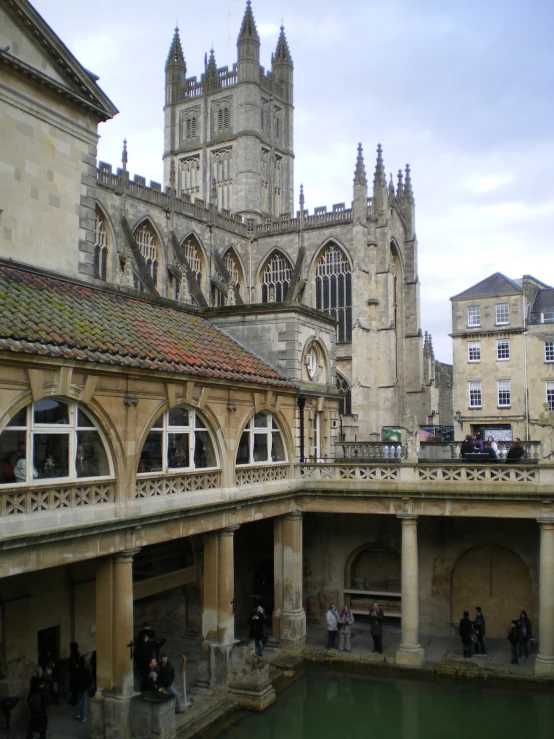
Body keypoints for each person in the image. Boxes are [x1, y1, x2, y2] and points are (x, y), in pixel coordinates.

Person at [25, 667, 49, 739]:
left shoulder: (32, 689)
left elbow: (28, 700)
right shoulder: (43, 692)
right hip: (41, 712)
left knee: (31, 723)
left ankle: (29, 736)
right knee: (44, 723)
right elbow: (46, 703)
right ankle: (42, 737)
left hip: (33, 711)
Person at [74, 656, 91, 722]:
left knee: (78, 701)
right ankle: (83, 717)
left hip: (77, 688)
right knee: (84, 703)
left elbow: (73, 680)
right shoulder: (86, 671)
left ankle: (78, 714)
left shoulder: (76, 671)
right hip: (84, 689)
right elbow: (89, 680)